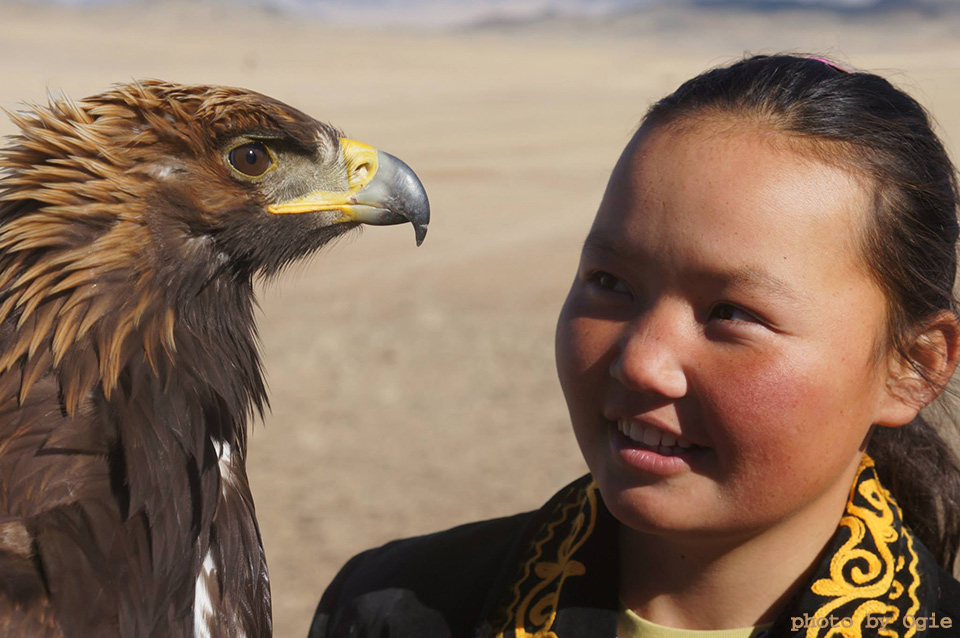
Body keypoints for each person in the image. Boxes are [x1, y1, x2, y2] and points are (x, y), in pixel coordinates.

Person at [309, 54, 960, 638]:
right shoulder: (395, 608)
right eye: (609, 282)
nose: (642, 361)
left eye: (732, 314)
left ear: (912, 366)